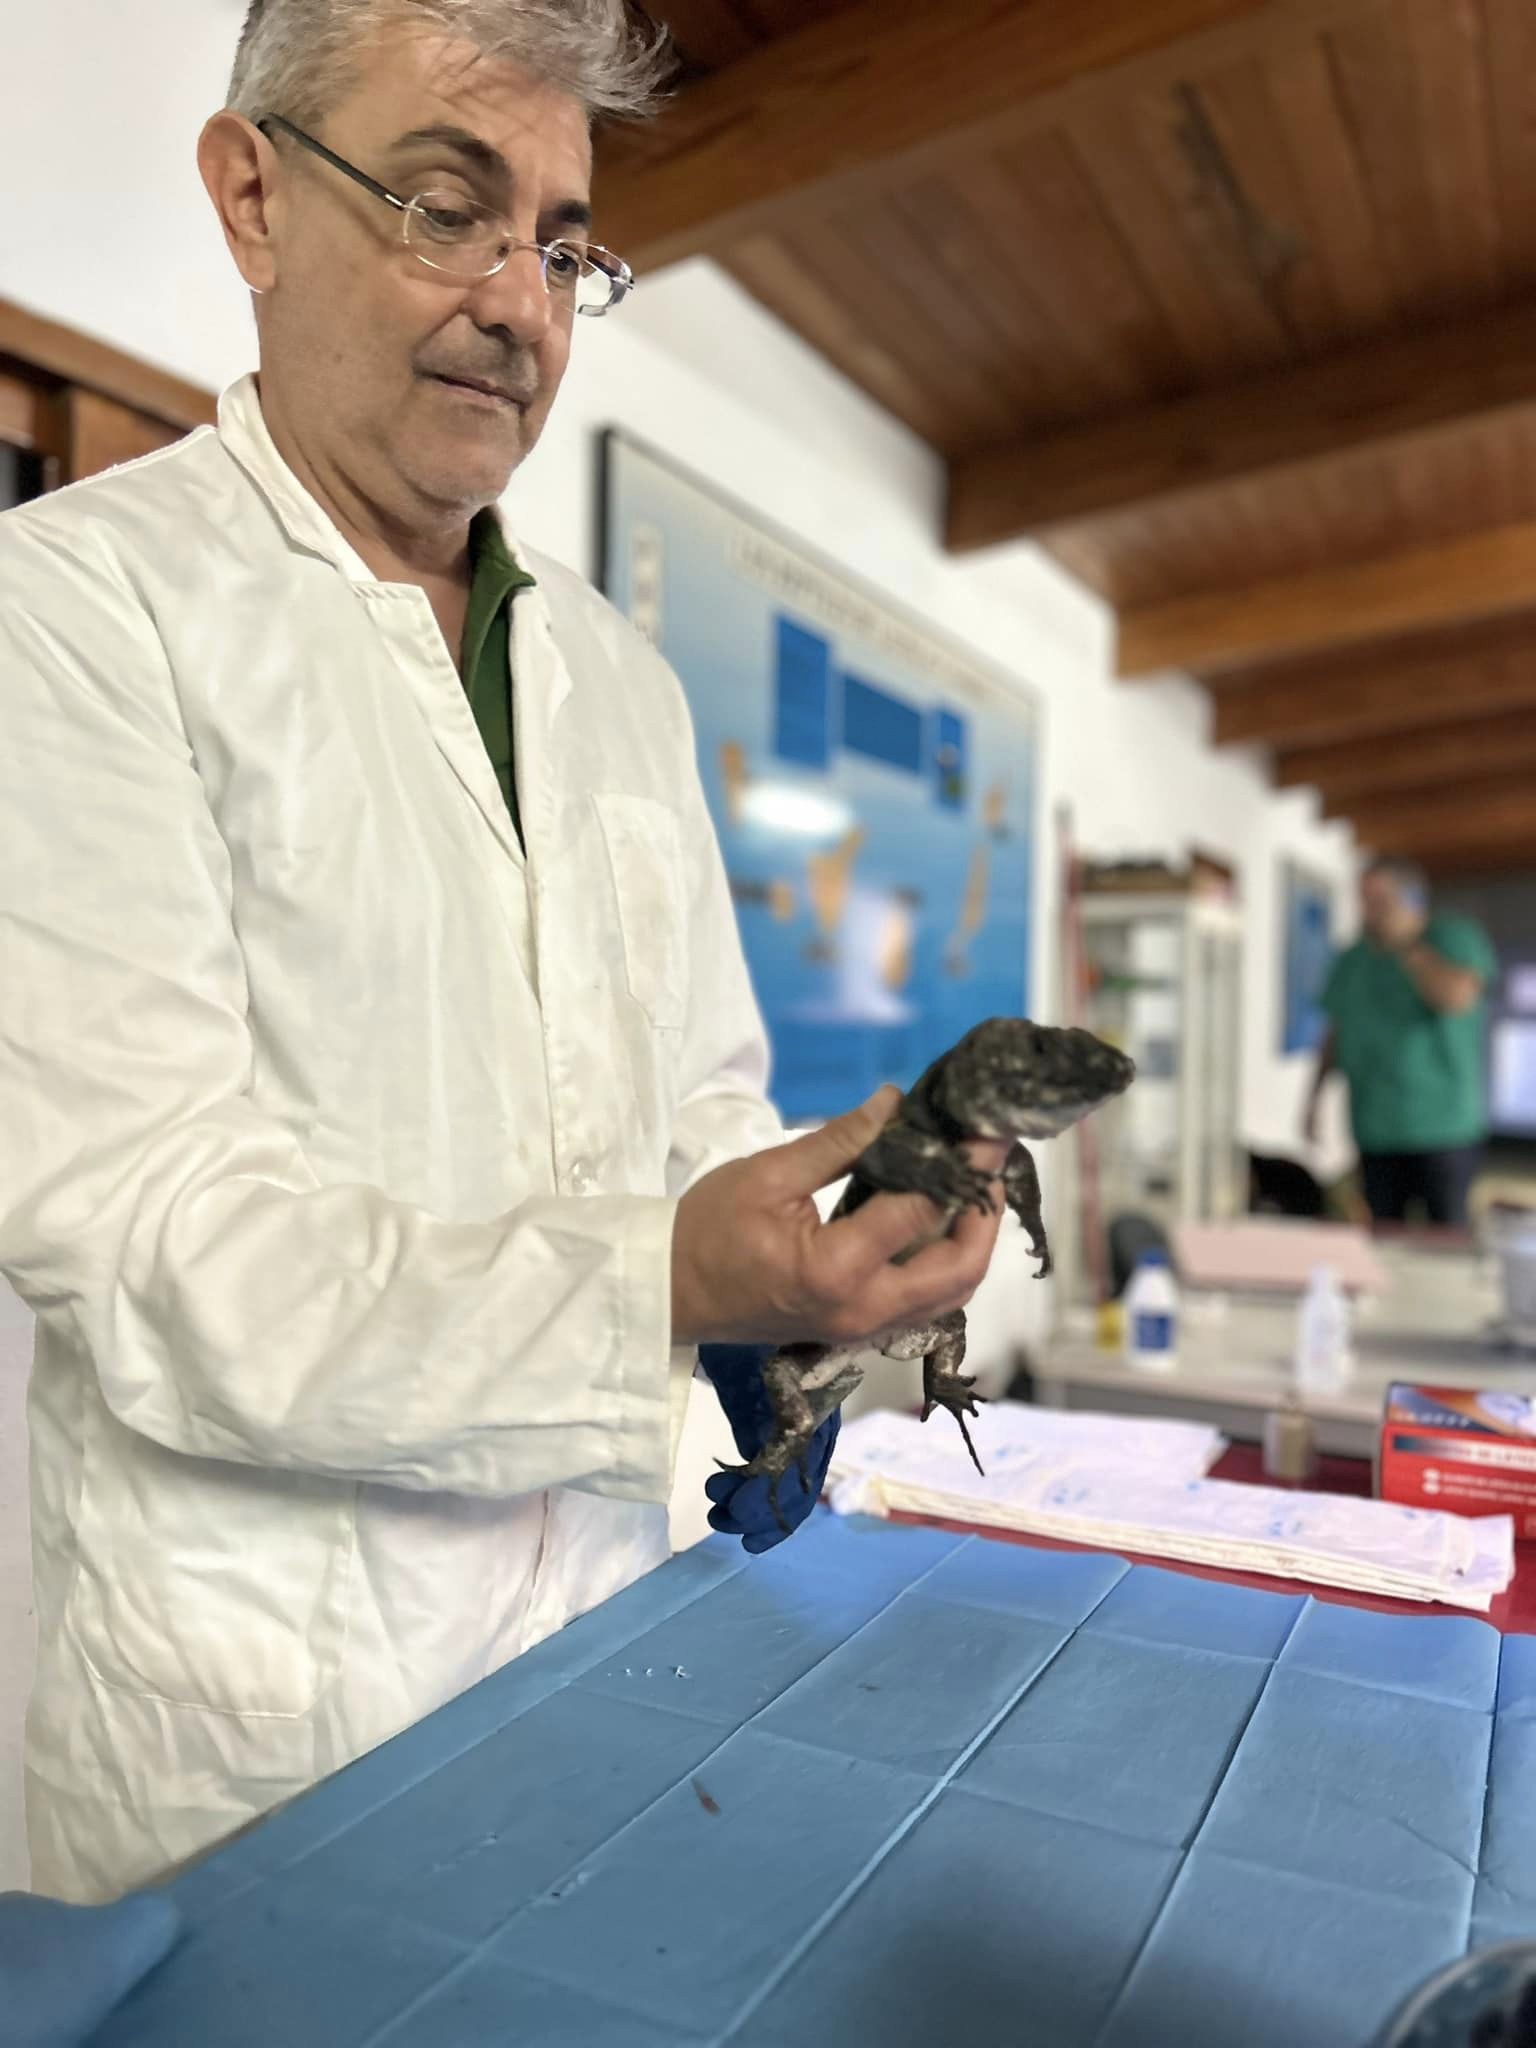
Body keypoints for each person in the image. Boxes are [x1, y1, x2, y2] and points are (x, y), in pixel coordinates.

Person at [0, 0, 1008, 1905]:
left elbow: (694, 1092)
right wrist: (658, 1275)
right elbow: (161, 1233)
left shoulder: (616, 684)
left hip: (619, 1649)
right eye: (446, 207)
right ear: (251, 198)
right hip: (269, 1739)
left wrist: (811, 1231)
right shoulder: (71, 615)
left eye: (559, 243)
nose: (518, 305)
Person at [1304, 857, 1498, 1226]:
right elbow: (1336, 1032)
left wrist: (1408, 947)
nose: (1368, 911)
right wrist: (1313, 1098)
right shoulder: (1353, 958)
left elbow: (1455, 999)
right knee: (1382, 1237)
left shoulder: (1452, 938)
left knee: (1445, 1241)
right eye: (1362, 900)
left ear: (1410, 899)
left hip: (1442, 1130)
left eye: (1379, 900)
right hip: (1374, 1127)